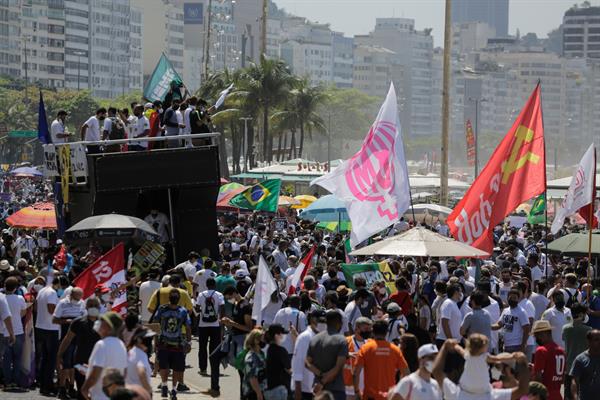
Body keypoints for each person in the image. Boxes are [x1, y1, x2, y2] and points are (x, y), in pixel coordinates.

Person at [57, 297, 101, 399]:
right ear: (86, 307)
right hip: (81, 361)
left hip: (98, 363)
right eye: (90, 305)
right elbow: (67, 339)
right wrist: (59, 354)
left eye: (95, 305)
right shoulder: (78, 322)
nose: (93, 308)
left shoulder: (104, 323)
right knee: (82, 390)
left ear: (99, 307)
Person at [353, 319, 409, 400]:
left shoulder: (365, 348)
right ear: (386, 332)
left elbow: (355, 373)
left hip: (370, 396)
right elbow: (406, 373)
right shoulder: (395, 350)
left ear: (373, 331)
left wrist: (357, 391)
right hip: (389, 396)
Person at [81, 312, 128, 400]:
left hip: (100, 396)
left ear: (109, 327)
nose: (99, 323)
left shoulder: (102, 344)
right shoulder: (121, 345)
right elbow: (124, 373)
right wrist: (89, 369)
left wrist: (85, 388)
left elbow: (96, 372)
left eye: (102, 321)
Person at [155, 288, 192, 400]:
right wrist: (189, 342)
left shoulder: (162, 309)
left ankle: (166, 386)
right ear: (179, 299)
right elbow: (189, 327)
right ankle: (172, 389)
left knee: (165, 366)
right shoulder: (183, 311)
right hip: (175, 344)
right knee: (174, 368)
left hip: (166, 343)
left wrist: (155, 340)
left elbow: (156, 324)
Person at [305, 310, 349, 400]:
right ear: (339, 323)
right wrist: (323, 381)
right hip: (336, 390)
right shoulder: (342, 340)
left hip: (318, 391)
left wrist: (320, 375)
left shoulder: (315, 339)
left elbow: (307, 363)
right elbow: (338, 367)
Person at [53, 287, 86, 400]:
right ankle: (62, 388)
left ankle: (72, 386)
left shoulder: (82, 303)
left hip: (79, 335)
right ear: (71, 295)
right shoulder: (62, 303)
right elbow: (54, 319)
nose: (79, 300)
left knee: (74, 363)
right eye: (77, 297)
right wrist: (65, 321)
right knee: (65, 363)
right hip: (66, 334)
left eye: (80, 297)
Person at [196, 277, 225, 396]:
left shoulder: (201, 295)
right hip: (215, 324)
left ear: (207, 285)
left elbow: (197, 308)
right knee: (214, 348)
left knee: (202, 346)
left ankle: (203, 368)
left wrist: (202, 310)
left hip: (203, 324)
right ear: (215, 285)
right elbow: (222, 308)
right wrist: (221, 322)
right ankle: (214, 368)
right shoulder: (219, 295)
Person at [292, 309, 326, 400]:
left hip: (320, 389)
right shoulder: (304, 338)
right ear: (312, 320)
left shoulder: (324, 336)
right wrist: (298, 390)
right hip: (305, 390)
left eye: (324, 321)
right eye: (320, 321)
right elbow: (297, 365)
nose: (322, 323)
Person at [35, 276, 61, 396]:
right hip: (50, 328)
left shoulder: (41, 291)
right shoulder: (51, 293)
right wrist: (61, 312)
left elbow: (36, 307)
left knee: (45, 358)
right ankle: (47, 386)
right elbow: (51, 309)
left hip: (40, 326)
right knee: (50, 359)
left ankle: (44, 384)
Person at [2, 276, 28, 391]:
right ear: (15, 288)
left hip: (4, 332)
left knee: (6, 358)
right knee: (17, 358)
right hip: (18, 330)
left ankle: (7, 381)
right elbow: (23, 312)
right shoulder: (20, 298)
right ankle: (15, 381)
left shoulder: (2, 299)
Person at [563, 303, 591, 400]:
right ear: (581, 314)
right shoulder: (588, 330)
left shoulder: (565, 328)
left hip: (569, 366)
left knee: (568, 394)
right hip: (584, 367)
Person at [531, 320, 565, 400]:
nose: (536, 339)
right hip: (558, 395)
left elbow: (538, 378)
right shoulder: (562, 351)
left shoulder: (541, 350)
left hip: (544, 395)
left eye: (536, 336)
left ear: (544, 333)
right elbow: (562, 379)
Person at [343, 317, 373, 399]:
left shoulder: (371, 343)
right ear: (356, 329)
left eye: (370, 329)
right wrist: (346, 354)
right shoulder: (346, 342)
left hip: (366, 388)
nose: (368, 331)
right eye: (366, 328)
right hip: (349, 388)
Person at [569, 329, 600, 400]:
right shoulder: (580, 359)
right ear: (589, 341)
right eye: (596, 340)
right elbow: (574, 381)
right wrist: (575, 397)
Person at [264, 323, 292, 400]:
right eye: (282, 334)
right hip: (279, 389)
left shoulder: (268, 349)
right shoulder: (281, 351)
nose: (283, 336)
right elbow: (289, 369)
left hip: (269, 388)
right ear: (276, 335)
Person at [126, 327, 155, 398]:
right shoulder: (140, 354)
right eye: (147, 338)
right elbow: (141, 373)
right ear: (139, 340)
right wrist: (149, 391)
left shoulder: (131, 352)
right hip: (139, 394)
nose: (149, 341)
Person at [242, 329, 267, 400]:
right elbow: (252, 377)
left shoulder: (260, 353)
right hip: (253, 393)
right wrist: (259, 394)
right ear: (254, 341)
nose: (263, 341)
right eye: (261, 339)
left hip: (261, 391)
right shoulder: (251, 357)